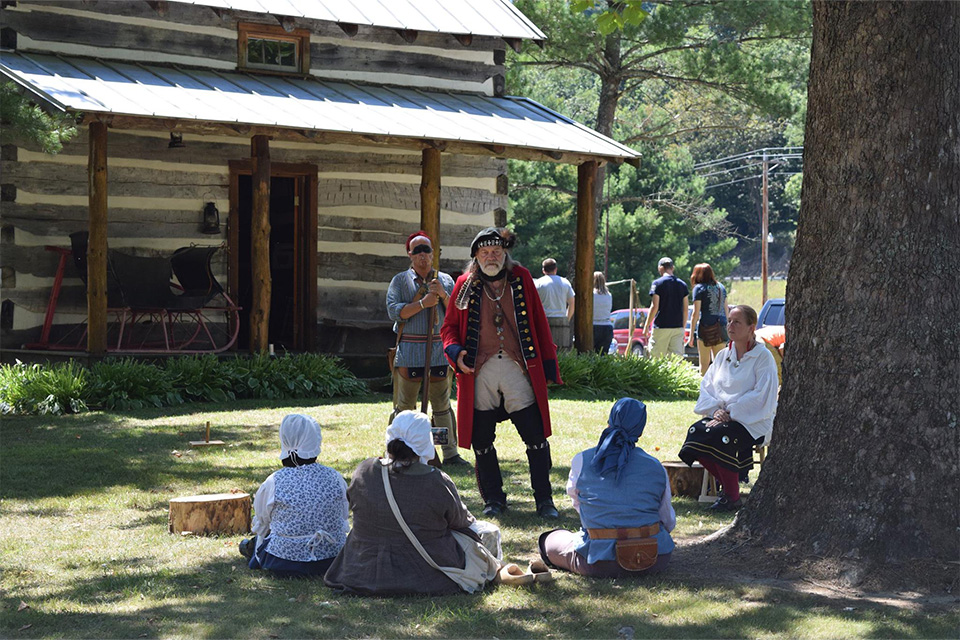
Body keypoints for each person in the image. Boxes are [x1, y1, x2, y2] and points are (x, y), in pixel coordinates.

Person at [441, 227, 562, 519]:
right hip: (479, 371)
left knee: (534, 435)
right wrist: (456, 354)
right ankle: (494, 500)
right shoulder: (463, 284)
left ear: (504, 253)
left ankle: (544, 500)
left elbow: (538, 321)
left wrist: (548, 363)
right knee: (482, 441)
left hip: (516, 366)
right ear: (476, 257)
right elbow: (448, 330)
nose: (491, 257)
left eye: (496, 252)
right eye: (485, 253)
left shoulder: (521, 279)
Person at [323, 411, 483, 595]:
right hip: (423, 574)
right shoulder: (435, 481)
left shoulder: (364, 471)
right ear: (425, 441)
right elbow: (460, 521)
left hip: (361, 569)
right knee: (483, 532)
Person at [538, 398, 675, 577]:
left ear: (609, 421)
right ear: (640, 429)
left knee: (549, 539)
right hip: (653, 559)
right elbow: (667, 520)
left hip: (598, 562)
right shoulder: (656, 466)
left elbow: (577, 502)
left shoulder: (582, 460)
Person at [679, 305, 779, 511]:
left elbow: (761, 395)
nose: (730, 326)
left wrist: (731, 412)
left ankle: (731, 497)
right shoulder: (724, 355)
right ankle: (729, 485)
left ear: (751, 327)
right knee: (696, 433)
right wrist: (716, 409)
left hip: (753, 420)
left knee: (721, 437)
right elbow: (707, 387)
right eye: (729, 321)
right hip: (721, 416)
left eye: (737, 322)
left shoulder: (763, 357)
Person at [385, 231, 468, 467]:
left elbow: (459, 311)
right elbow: (394, 311)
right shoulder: (400, 281)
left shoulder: (446, 281)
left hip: (439, 352)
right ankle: (399, 451)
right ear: (409, 255)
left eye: (426, 250)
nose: (422, 255)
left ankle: (449, 453)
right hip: (410, 352)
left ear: (433, 254)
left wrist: (441, 294)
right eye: (417, 250)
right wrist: (422, 303)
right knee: (405, 407)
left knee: (442, 406)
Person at [239, 414, 349, 578]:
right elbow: (343, 515)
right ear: (315, 441)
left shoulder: (274, 481)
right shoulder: (335, 477)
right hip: (333, 558)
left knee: (253, 543)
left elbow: (262, 523)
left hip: (286, 560)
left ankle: (249, 548)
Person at [686, 263, 729, 375]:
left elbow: (695, 313)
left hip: (706, 328)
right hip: (721, 328)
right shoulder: (721, 287)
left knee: (704, 365)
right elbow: (726, 310)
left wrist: (691, 336)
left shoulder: (699, 288)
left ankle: (703, 390)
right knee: (720, 365)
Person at [642, 257, 689, 358]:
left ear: (660, 268)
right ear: (673, 268)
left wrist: (646, 326)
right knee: (676, 362)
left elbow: (654, 307)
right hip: (677, 327)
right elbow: (685, 309)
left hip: (661, 327)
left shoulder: (657, 284)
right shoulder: (683, 285)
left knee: (656, 360)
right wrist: (683, 328)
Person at [534, 257, 575, 350]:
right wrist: (567, 318)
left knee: (544, 349)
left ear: (543, 270)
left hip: (543, 320)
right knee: (561, 350)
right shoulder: (565, 282)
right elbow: (572, 303)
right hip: (561, 319)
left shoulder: (538, 283)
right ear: (556, 269)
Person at [592, 271, 614, 355]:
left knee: (590, 355)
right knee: (603, 355)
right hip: (607, 327)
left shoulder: (591, 294)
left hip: (594, 326)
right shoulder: (609, 295)